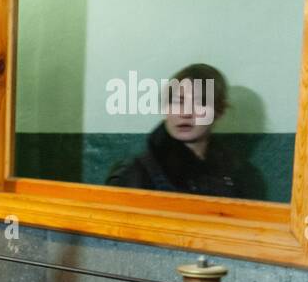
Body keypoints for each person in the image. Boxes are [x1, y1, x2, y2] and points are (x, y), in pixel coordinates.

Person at [106, 63, 265, 199]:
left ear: (219, 110)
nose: (185, 113)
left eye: (199, 103)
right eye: (177, 102)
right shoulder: (134, 173)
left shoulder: (240, 174)